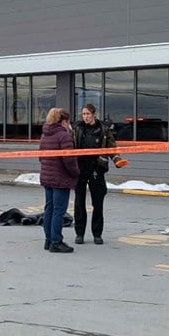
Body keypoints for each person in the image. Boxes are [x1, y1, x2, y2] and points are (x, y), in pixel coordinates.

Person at [72, 104, 128, 245]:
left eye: (88, 114)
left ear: (94, 114)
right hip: (80, 169)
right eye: (83, 114)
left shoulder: (103, 129)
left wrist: (117, 160)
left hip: (97, 169)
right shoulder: (77, 128)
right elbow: (69, 146)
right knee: (79, 203)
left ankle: (97, 234)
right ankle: (79, 234)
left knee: (98, 203)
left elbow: (111, 146)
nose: (85, 116)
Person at [39, 108, 80, 253]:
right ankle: (56, 241)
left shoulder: (45, 135)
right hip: (61, 178)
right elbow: (69, 160)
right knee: (59, 210)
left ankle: (48, 240)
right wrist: (75, 174)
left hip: (47, 177)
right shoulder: (64, 136)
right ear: (63, 121)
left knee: (49, 209)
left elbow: (40, 157)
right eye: (68, 121)